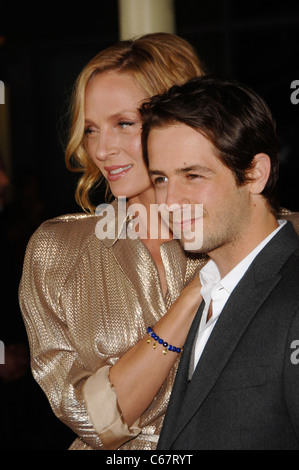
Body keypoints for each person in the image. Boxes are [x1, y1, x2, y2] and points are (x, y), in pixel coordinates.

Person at [19, 33, 207, 451]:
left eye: (124, 123)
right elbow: (88, 416)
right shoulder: (56, 250)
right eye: (90, 130)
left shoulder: (262, 235)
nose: (101, 150)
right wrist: (195, 295)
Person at [140, 75, 299, 450]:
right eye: (161, 179)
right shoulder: (210, 288)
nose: (170, 200)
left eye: (193, 175)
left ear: (255, 174)